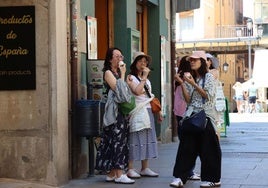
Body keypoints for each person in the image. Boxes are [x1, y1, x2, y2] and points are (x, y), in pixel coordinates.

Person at [170, 51, 222, 188]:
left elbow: (208, 96)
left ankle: (212, 179)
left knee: (209, 150)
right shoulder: (190, 77)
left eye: (195, 60)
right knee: (185, 148)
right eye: (191, 60)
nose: (191, 62)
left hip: (205, 117)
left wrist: (193, 84)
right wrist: (182, 83)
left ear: (202, 62)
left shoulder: (209, 77)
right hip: (191, 116)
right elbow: (188, 100)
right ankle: (180, 177)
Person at [95, 47, 135, 184]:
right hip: (114, 114)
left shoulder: (117, 73)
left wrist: (126, 82)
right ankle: (119, 174)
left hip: (121, 113)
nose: (120, 59)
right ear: (110, 59)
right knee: (117, 142)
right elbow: (121, 95)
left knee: (117, 141)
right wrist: (123, 76)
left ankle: (112, 173)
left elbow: (125, 92)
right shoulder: (108, 73)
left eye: (121, 56)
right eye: (117, 56)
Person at [126, 51, 163, 179]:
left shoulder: (145, 79)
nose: (143, 63)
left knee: (147, 138)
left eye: (145, 61)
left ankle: (145, 167)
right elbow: (137, 91)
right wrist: (144, 77)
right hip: (137, 111)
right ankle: (130, 168)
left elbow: (149, 96)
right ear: (134, 63)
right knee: (135, 138)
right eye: (140, 61)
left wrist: (158, 111)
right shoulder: (131, 77)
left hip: (147, 110)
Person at [173, 56, 200, 181]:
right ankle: (189, 171)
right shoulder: (188, 76)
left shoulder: (179, 75)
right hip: (187, 111)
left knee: (184, 142)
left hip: (179, 111)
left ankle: (187, 171)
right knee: (189, 144)